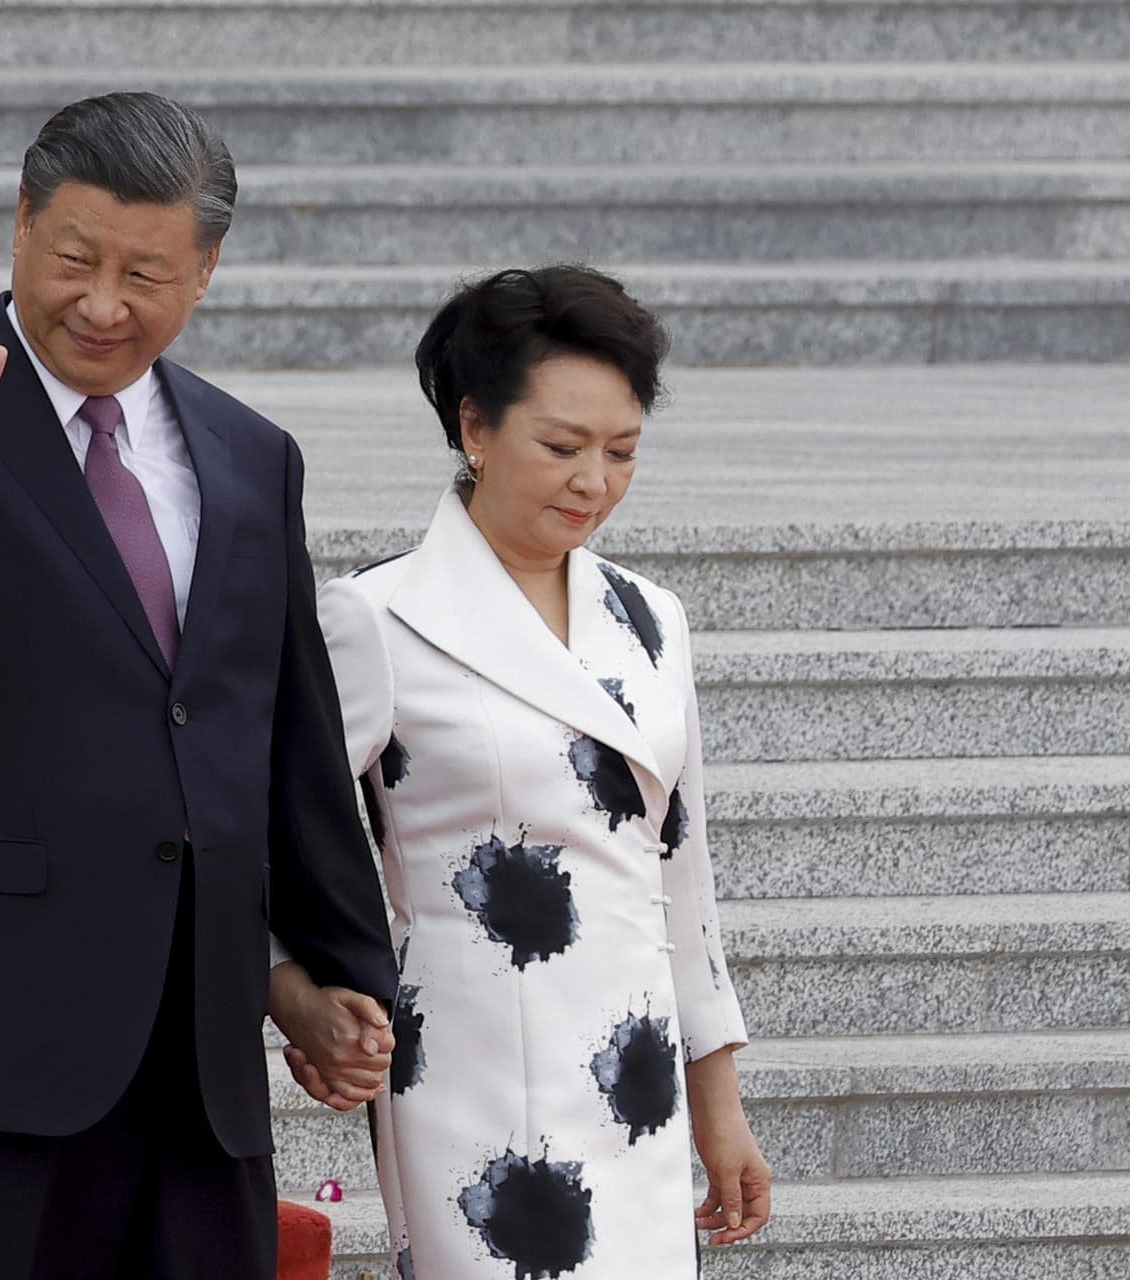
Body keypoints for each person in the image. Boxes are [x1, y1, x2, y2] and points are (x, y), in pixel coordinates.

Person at [0, 91, 397, 1280]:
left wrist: (338, 965)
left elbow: (285, 729)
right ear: (21, 225)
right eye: (75, 259)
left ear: (206, 270)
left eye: (147, 272)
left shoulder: (251, 453)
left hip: (194, 1052)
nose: (102, 304)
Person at [285, 267, 771, 1278]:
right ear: (475, 426)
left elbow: (681, 874)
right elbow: (273, 829)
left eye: (622, 451)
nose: (592, 480)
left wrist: (718, 1108)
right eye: (561, 447)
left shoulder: (651, 620)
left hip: (635, 1076)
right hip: (472, 1072)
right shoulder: (380, 617)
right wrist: (297, 992)